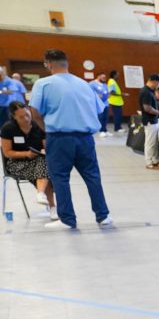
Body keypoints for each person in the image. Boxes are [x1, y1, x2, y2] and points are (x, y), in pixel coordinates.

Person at [30, 49, 112, 230]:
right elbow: (99, 109)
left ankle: (67, 219)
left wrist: (47, 129)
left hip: (59, 137)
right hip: (85, 138)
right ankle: (103, 216)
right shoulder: (85, 84)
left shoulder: (43, 84)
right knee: (92, 177)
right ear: (66, 63)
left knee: (60, 178)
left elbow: (34, 113)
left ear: (48, 64)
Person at [1, 100, 57, 220]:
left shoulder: (38, 126)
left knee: (44, 163)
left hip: (38, 160)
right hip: (16, 163)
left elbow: (46, 146)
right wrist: (26, 153)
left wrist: (44, 150)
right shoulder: (8, 128)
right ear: (14, 117)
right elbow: (7, 152)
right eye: (21, 117)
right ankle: (51, 206)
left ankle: (41, 194)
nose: (26, 119)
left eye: (27, 115)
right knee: (46, 172)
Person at [139, 74, 159, 170]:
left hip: (153, 120)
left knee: (154, 142)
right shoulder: (146, 92)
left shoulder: (150, 91)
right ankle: (149, 162)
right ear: (153, 81)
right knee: (150, 143)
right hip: (149, 120)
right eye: (158, 83)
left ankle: (155, 161)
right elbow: (147, 108)